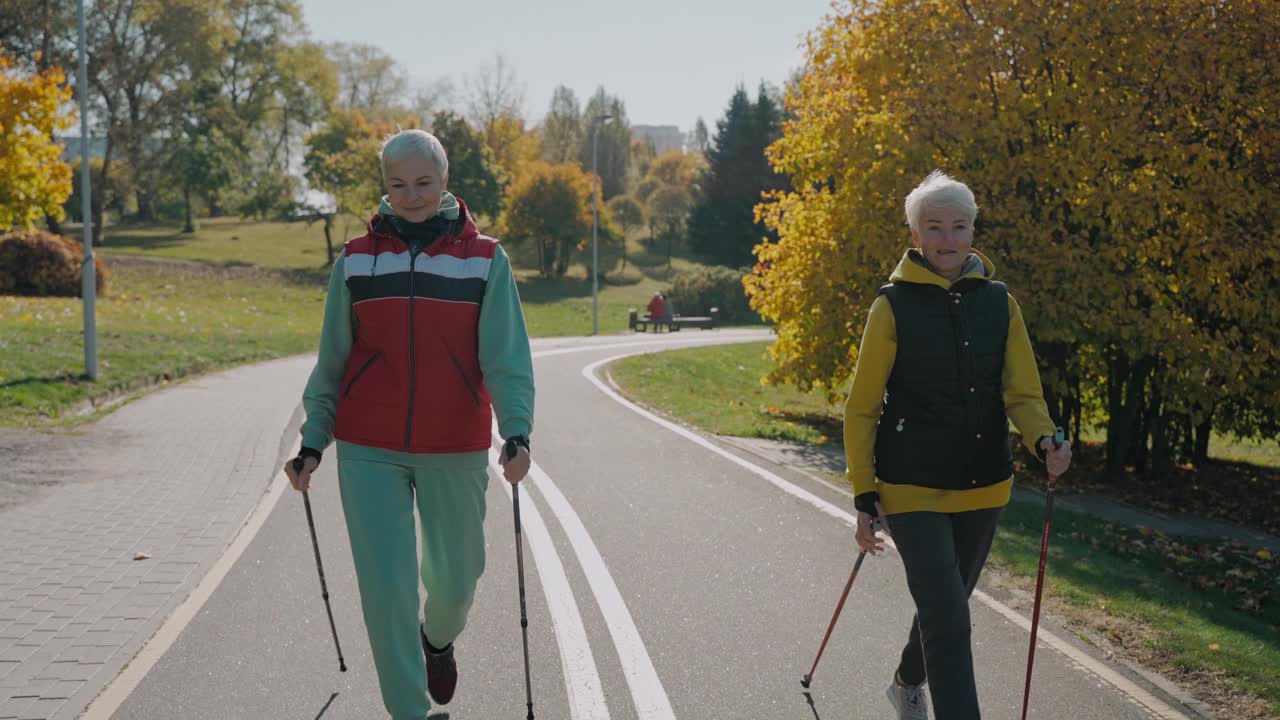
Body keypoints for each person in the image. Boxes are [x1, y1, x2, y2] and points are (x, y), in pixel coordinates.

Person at [284, 129, 535, 720]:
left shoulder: (484, 260)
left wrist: (517, 431)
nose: (411, 194)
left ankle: (438, 639)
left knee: (457, 579)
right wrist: (313, 440)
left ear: (444, 181)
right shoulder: (356, 260)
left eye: (422, 182)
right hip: (369, 447)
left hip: (454, 443)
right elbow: (334, 358)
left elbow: (505, 355)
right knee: (386, 591)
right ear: (384, 186)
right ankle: (409, 712)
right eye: (397, 184)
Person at [842, 170, 1072, 720]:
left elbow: (1022, 392)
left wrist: (1044, 436)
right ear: (916, 235)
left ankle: (906, 682)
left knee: (947, 606)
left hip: (983, 483)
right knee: (948, 616)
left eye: (959, 226)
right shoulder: (891, 306)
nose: (948, 239)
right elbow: (862, 406)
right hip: (910, 485)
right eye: (935, 227)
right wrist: (862, 491)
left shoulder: (1000, 303)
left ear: (973, 230)